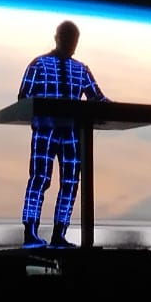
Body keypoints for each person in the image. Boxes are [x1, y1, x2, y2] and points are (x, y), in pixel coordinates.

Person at [17, 20, 109, 250]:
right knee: (39, 179)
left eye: (74, 40)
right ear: (57, 37)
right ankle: (30, 232)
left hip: (72, 134)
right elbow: (23, 98)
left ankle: (60, 233)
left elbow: (98, 98)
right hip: (45, 131)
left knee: (70, 182)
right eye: (68, 38)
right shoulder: (38, 65)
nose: (71, 44)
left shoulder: (81, 69)